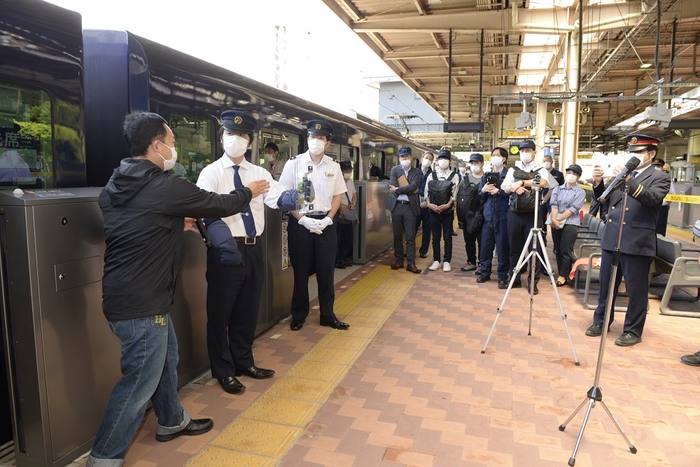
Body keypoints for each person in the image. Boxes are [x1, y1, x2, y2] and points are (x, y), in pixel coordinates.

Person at [87, 111, 269, 467]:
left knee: (167, 359)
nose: (174, 150)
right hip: (143, 302)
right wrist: (248, 191)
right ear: (155, 146)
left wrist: (171, 224)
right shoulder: (165, 185)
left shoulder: (116, 184)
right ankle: (103, 458)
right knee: (138, 383)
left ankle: (171, 421)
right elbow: (220, 204)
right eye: (171, 142)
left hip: (126, 293)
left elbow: (134, 223)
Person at [196, 110, 297, 395]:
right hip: (225, 250)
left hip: (254, 249)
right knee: (220, 314)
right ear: (221, 139)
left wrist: (296, 196)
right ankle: (223, 370)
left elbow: (277, 197)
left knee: (247, 310)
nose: (236, 140)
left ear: (250, 142)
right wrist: (225, 244)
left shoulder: (259, 173)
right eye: (230, 134)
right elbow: (207, 212)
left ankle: (243, 361)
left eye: (241, 136)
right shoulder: (211, 173)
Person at [585, 134, 671, 346]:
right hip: (613, 237)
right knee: (607, 284)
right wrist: (598, 184)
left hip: (637, 240)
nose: (633, 156)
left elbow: (651, 199)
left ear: (651, 154)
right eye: (630, 153)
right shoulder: (623, 175)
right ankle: (601, 320)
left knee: (636, 289)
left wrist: (629, 181)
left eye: (638, 153)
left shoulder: (659, 177)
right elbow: (605, 202)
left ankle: (633, 330)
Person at [279, 119, 350, 331]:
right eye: (312, 137)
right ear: (307, 139)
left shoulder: (334, 166)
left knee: (326, 272)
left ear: (327, 143)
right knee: (300, 272)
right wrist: (301, 219)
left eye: (320, 138)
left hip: (326, 224)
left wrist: (329, 218)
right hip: (300, 223)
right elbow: (285, 196)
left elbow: (338, 195)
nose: (315, 141)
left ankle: (327, 315)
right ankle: (299, 314)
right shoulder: (293, 164)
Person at [502, 140, 550, 293]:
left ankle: (532, 283)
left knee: (534, 249)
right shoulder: (512, 170)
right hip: (514, 213)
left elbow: (541, 182)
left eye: (528, 150)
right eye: (522, 151)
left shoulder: (540, 169)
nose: (525, 153)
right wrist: (514, 188)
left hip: (533, 214)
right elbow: (506, 188)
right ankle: (514, 278)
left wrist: (521, 182)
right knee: (514, 248)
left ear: (534, 153)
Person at [477, 147, 511, 288]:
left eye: (497, 155)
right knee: (486, 246)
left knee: (503, 247)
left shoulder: (510, 175)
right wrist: (483, 190)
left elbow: (512, 194)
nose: (494, 157)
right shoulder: (486, 176)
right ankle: (485, 272)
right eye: (493, 155)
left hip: (503, 216)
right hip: (488, 216)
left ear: (504, 158)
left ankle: (503, 276)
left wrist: (500, 192)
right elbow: (480, 195)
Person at [386, 146, 422, 274]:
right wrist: (408, 189)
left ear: (411, 157)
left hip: (409, 207)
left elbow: (414, 186)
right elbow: (392, 185)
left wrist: (397, 189)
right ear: (399, 158)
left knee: (410, 236)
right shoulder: (395, 170)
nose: (404, 158)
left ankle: (411, 263)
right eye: (402, 156)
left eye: (406, 156)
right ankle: (399, 260)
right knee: (397, 235)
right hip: (396, 206)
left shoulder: (417, 172)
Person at [549, 164, 586, 287]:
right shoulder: (557, 189)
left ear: (578, 177)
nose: (571, 175)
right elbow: (554, 205)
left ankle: (563, 275)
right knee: (558, 249)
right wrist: (554, 219)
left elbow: (573, 209)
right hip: (555, 222)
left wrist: (558, 219)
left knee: (566, 249)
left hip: (571, 223)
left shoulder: (580, 192)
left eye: (574, 173)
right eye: (569, 172)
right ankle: (562, 271)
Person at [425, 149, 459, 272]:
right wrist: (430, 205)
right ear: (437, 161)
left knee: (447, 236)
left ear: (450, 161)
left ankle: (447, 261)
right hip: (432, 210)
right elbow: (426, 193)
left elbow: (454, 195)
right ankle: (436, 260)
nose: (442, 161)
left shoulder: (454, 176)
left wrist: (447, 205)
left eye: (445, 159)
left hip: (447, 211)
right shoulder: (431, 175)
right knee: (435, 237)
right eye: (440, 159)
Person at [457, 153, 485, 273]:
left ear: (482, 164)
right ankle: (471, 261)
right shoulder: (465, 180)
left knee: (482, 241)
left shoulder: (486, 178)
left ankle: (481, 263)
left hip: (482, 216)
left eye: (476, 163)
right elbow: (458, 197)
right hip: (467, 216)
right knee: (469, 241)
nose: (474, 165)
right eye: (472, 163)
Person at [336, 160, 357, 269]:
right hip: (337, 214)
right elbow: (331, 197)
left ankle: (343, 258)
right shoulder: (336, 182)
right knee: (337, 239)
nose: (348, 172)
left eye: (350, 170)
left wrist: (353, 204)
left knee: (349, 239)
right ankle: (339, 260)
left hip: (348, 213)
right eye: (346, 170)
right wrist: (339, 206)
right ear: (341, 171)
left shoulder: (350, 182)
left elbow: (354, 195)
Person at [540, 153, 565, 243]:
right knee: (541, 220)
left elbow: (562, 188)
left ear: (552, 161)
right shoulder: (540, 174)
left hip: (553, 201)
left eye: (547, 161)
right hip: (541, 201)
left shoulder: (558, 174)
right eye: (543, 161)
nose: (545, 162)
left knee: (554, 220)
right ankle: (543, 238)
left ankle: (556, 242)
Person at [416, 151, 434, 258]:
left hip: (427, 206)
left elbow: (433, 190)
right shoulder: (414, 171)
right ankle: (410, 250)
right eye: (426, 157)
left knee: (427, 229)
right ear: (422, 158)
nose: (428, 160)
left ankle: (423, 250)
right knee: (412, 229)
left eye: (430, 159)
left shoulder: (433, 175)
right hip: (415, 205)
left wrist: (427, 202)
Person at [652, 157, 672, 236]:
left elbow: (671, 195)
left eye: (659, 166)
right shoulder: (647, 177)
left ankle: (659, 247)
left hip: (662, 208)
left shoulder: (665, 178)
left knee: (660, 232)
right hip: (649, 207)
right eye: (655, 166)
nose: (657, 168)